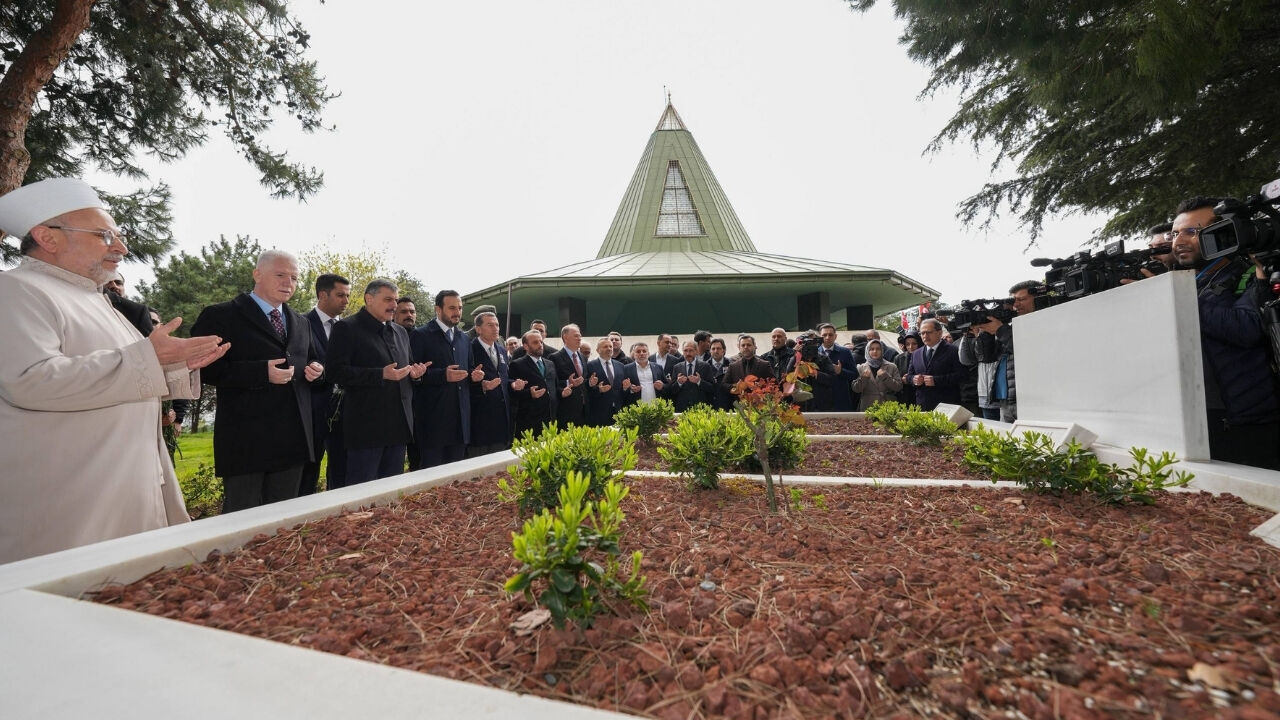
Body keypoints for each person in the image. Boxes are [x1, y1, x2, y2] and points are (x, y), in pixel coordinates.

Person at [0, 178, 226, 563]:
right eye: (104, 235)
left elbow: (120, 375)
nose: (120, 247)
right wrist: (148, 358)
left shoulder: (96, 298)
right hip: (72, 497)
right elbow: (30, 380)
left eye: (119, 237)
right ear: (47, 237)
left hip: (126, 482)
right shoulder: (17, 290)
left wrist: (174, 366)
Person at [192, 250, 324, 513]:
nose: (288, 283)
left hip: (293, 441)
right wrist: (261, 372)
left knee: (283, 522)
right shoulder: (220, 315)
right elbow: (203, 369)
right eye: (280, 275)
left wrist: (317, 370)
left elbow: (310, 360)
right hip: (246, 441)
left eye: (294, 278)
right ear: (257, 274)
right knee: (242, 521)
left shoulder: (301, 322)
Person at [1170, 196, 1279, 469]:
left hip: (1249, 426)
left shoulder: (1249, 273)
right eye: (1175, 233)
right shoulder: (1195, 282)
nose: (1178, 241)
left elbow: (1247, 328)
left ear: (1224, 232)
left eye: (1191, 231)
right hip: (1203, 420)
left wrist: (1175, 299)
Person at [326, 279, 427, 484]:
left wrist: (416, 374)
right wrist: (380, 374)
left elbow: (407, 367)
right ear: (369, 299)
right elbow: (335, 372)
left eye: (396, 300)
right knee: (362, 494)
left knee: (391, 493)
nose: (394, 305)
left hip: (399, 427)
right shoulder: (346, 328)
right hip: (366, 430)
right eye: (388, 299)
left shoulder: (400, 332)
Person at [411, 290, 483, 468]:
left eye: (460, 308)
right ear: (438, 309)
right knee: (432, 478)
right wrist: (442, 375)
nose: (457, 312)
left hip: (460, 423)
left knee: (456, 477)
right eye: (452, 308)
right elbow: (412, 374)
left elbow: (469, 369)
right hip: (433, 423)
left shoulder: (464, 338)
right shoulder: (420, 335)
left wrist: (474, 376)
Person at [301, 273, 350, 494]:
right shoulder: (300, 324)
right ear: (322, 295)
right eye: (340, 295)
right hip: (312, 412)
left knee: (342, 473)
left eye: (348, 295)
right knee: (307, 474)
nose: (346, 301)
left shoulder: (349, 328)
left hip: (346, 414)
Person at [469, 311, 526, 456]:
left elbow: (504, 378)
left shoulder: (501, 349)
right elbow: (464, 382)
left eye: (497, 325)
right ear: (478, 329)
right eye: (490, 325)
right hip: (480, 422)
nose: (495, 328)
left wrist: (513, 385)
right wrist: (481, 385)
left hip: (502, 422)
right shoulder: (469, 349)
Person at [904, 319, 963, 410]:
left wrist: (936, 380)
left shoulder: (953, 350)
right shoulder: (916, 353)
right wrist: (914, 379)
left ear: (939, 333)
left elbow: (962, 375)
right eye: (922, 333)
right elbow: (909, 376)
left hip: (946, 404)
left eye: (928, 332)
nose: (925, 336)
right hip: (923, 404)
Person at [507, 330, 558, 437]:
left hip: (551, 421)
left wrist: (564, 388)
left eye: (541, 342)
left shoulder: (550, 364)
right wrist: (529, 393)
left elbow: (555, 387)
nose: (540, 345)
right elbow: (511, 393)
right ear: (526, 346)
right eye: (535, 342)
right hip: (529, 423)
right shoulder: (517, 365)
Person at [550, 323, 589, 427]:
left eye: (580, 336)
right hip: (566, 410)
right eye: (576, 336)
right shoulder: (554, 358)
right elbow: (552, 383)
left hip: (584, 410)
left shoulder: (583, 357)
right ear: (565, 337)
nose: (579, 338)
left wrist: (590, 382)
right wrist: (568, 383)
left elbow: (584, 380)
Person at [852, 338, 902, 410]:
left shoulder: (892, 366)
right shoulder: (861, 368)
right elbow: (856, 389)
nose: (875, 351)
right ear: (867, 351)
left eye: (878, 349)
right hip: (868, 405)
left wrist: (885, 377)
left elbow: (898, 387)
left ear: (882, 350)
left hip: (887, 405)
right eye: (872, 349)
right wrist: (863, 379)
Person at [585, 336, 626, 426]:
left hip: (618, 412)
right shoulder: (589, 366)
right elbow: (585, 388)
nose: (609, 348)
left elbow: (622, 388)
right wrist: (594, 386)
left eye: (610, 346)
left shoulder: (620, 366)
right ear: (598, 350)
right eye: (605, 347)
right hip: (599, 412)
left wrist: (626, 388)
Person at [817, 323, 857, 411]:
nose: (827, 337)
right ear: (820, 337)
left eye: (830, 335)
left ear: (835, 336)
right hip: (820, 400)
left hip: (840, 400)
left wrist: (840, 371)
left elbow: (854, 374)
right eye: (824, 335)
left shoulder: (845, 352)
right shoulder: (814, 353)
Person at [667, 340, 715, 411]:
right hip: (682, 409)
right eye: (685, 350)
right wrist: (679, 383)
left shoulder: (705, 366)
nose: (688, 353)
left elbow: (712, 388)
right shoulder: (677, 367)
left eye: (691, 350)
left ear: (696, 351)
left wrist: (699, 381)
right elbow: (672, 390)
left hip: (700, 409)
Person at [705, 337, 734, 409]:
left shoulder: (732, 365)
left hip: (728, 405)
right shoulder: (704, 366)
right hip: (710, 405)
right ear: (710, 351)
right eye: (713, 349)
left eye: (718, 348)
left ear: (724, 350)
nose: (716, 351)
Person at [894, 331, 921, 406]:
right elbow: (894, 377)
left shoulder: (924, 356)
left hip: (919, 395)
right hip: (904, 396)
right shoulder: (899, 358)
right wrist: (901, 379)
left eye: (914, 344)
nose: (910, 347)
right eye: (907, 344)